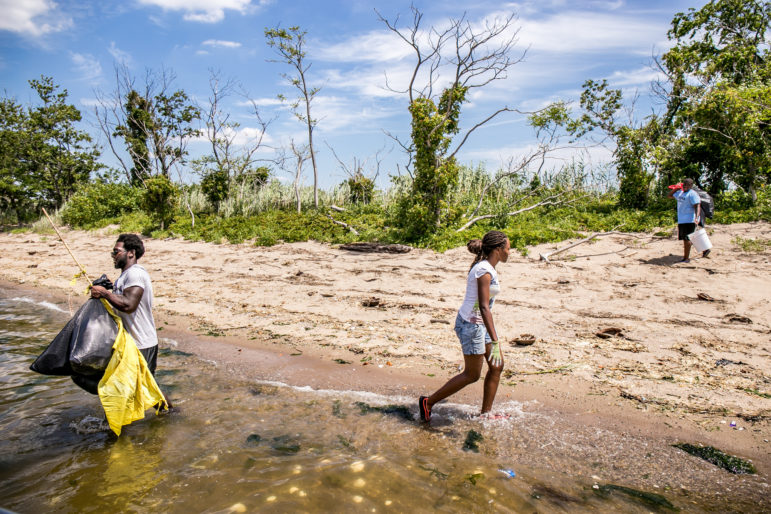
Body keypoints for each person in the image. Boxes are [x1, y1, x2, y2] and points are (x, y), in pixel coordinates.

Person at [419, 230, 509, 422]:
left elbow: (484, 309)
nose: (510, 252)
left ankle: (486, 414)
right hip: (471, 326)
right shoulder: (483, 270)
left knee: (496, 366)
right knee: (472, 374)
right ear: (499, 250)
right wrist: (495, 340)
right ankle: (427, 403)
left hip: (479, 324)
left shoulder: (488, 267)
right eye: (508, 248)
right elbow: (484, 307)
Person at [89, 234, 168, 405]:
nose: (113, 256)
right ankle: (165, 415)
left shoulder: (135, 274)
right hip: (131, 343)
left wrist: (105, 293)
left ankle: (169, 413)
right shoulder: (125, 277)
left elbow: (129, 304)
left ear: (131, 253)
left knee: (145, 387)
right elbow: (121, 299)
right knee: (141, 387)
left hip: (142, 343)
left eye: (116, 252)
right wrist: (108, 288)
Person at [668, 178, 703, 263]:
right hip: (682, 220)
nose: (685, 186)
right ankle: (705, 249)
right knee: (689, 238)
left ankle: (686, 258)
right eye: (684, 185)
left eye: (687, 185)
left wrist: (696, 217)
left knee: (687, 239)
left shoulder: (692, 194)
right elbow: (669, 195)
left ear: (691, 186)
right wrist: (676, 188)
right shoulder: (680, 193)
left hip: (690, 219)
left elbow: (697, 206)